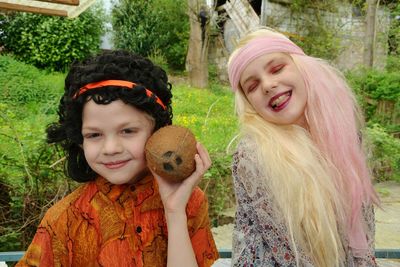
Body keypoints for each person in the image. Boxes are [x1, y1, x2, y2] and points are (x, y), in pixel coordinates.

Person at [16, 50, 219, 267]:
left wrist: (175, 213)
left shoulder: (189, 202)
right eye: (94, 135)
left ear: (157, 132)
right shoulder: (63, 219)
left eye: (128, 131)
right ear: (79, 140)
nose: (111, 148)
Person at [227, 27, 380, 266]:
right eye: (253, 86)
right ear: (249, 104)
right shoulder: (253, 156)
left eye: (277, 68)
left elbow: (363, 228)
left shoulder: (345, 133)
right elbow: (292, 256)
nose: (267, 85)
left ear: (302, 67)